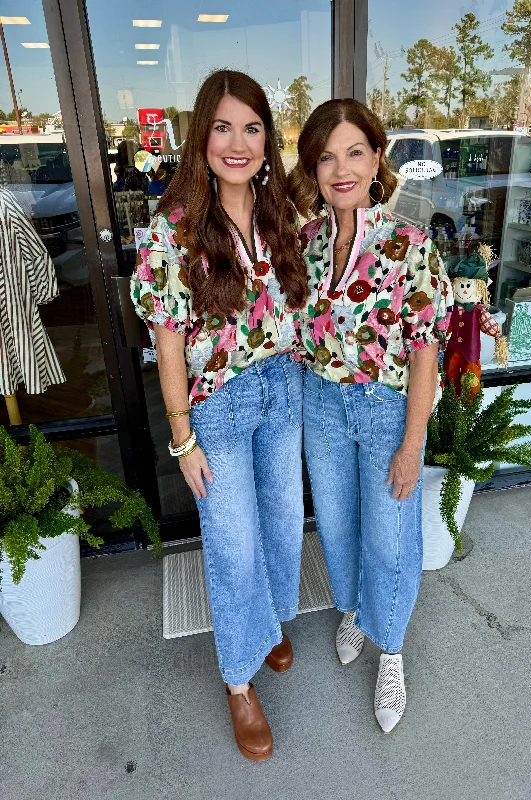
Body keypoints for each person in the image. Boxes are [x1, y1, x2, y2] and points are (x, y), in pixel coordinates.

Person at [131, 70, 308, 761]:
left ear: (269, 138)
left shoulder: (279, 215)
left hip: (283, 387)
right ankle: (239, 680)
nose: (239, 143)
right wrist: (182, 440)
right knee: (233, 545)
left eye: (253, 127)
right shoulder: (171, 231)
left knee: (282, 525)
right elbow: (167, 346)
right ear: (201, 135)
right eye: (224, 127)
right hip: (221, 407)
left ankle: (264, 625)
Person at [288, 99, 453, 733]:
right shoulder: (305, 243)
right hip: (323, 406)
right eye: (326, 156)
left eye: (354, 151)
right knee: (336, 526)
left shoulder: (409, 246)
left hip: (385, 411)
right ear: (314, 167)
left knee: (389, 537)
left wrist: (413, 445)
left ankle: (392, 648)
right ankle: (355, 609)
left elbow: (424, 353)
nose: (341, 168)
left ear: (377, 158)